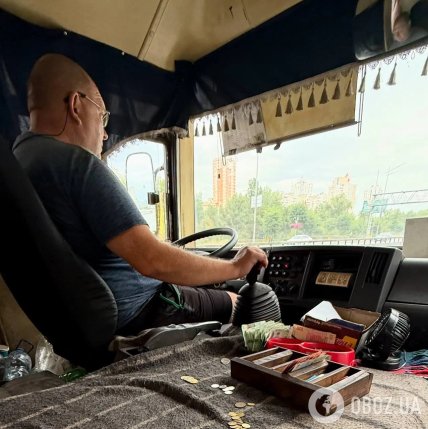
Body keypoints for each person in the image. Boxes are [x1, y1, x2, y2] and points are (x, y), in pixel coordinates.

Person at [12, 53, 268, 335]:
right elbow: (153, 260)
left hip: (80, 319)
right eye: (102, 116)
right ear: (76, 105)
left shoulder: (20, 161)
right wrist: (235, 267)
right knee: (254, 299)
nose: (105, 134)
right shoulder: (76, 164)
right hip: (141, 308)